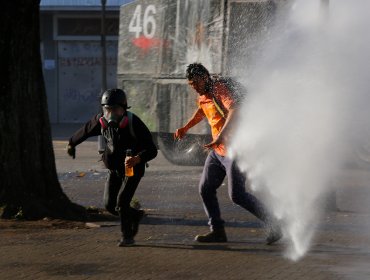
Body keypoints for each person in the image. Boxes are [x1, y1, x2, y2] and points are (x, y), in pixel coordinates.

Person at [174, 63, 281, 244]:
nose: (195, 88)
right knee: (205, 188)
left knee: (237, 195)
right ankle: (217, 231)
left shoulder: (218, 88)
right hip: (217, 152)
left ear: (204, 77)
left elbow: (234, 109)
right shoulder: (204, 96)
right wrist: (186, 127)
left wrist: (221, 136)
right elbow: (202, 110)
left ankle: (275, 224)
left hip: (235, 150)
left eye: (196, 83)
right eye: (191, 85)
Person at [67, 88, 157, 246]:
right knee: (110, 205)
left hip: (133, 169)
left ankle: (127, 237)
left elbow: (152, 150)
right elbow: (86, 130)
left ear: (124, 108)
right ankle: (135, 215)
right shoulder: (101, 122)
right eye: (107, 110)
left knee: (122, 202)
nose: (111, 114)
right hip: (114, 169)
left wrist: (138, 158)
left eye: (115, 109)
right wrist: (72, 143)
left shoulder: (134, 123)